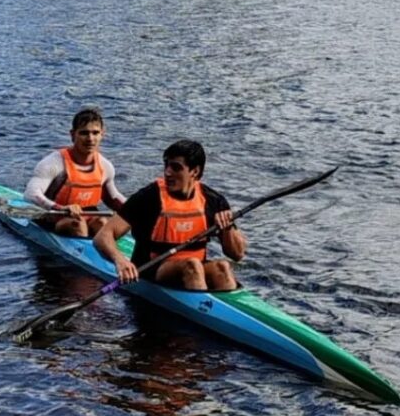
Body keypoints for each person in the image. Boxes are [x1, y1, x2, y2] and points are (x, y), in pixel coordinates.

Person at [94, 140, 246, 291]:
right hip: (153, 269)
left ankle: (222, 311)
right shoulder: (149, 197)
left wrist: (228, 228)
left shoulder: (213, 200)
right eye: (166, 165)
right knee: (191, 266)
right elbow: (103, 236)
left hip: (196, 268)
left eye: (176, 167)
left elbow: (237, 255)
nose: (167, 172)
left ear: (195, 171)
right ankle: (195, 311)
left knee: (223, 267)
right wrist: (120, 261)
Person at [24, 107, 127, 237]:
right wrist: (60, 208)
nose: (90, 139)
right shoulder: (54, 162)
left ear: (102, 134)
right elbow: (30, 194)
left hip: (88, 216)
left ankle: (103, 247)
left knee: (103, 223)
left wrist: (140, 211)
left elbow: (114, 198)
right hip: (55, 217)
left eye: (95, 133)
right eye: (84, 133)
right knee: (77, 225)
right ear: (73, 135)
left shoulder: (105, 166)